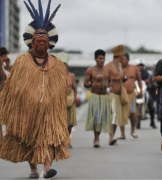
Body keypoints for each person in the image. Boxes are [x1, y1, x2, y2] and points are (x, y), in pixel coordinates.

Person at [0, 1, 69, 179]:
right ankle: (33, 169)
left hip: (49, 112)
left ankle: (47, 169)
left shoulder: (57, 64)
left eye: (44, 42)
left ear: (49, 43)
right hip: (27, 112)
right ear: (32, 42)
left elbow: (62, 89)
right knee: (29, 140)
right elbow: (11, 86)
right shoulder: (22, 61)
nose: (40, 45)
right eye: (37, 41)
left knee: (49, 140)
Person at [84, 49, 114, 147]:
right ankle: (96, 138)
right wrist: (94, 83)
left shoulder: (108, 70)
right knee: (96, 119)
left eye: (103, 58)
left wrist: (109, 85)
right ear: (95, 59)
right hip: (95, 96)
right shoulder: (90, 70)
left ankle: (109, 137)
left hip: (105, 96)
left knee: (105, 118)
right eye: (100, 58)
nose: (102, 60)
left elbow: (111, 82)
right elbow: (85, 83)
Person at [105, 45, 128, 142]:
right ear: (120, 56)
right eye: (123, 56)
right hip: (111, 94)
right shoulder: (109, 66)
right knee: (113, 116)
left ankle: (112, 137)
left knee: (116, 117)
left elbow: (121, 77)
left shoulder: (119, 66)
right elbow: (105, 79)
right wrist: (109, 85)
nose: (124, 58)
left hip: (119, 95)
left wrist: (123, 78)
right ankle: (111, 137)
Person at [119, 52, 142, 139]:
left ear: (128, 59)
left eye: (123, 59)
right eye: (121, 59)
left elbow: (139, 80)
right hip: (121, 94)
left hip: (131, 94)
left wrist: (141, 90)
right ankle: (122, 134)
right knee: (121, 113)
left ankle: (133, 131)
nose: (122, 61)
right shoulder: (118, 68)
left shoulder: (134, 68)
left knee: (133, 113)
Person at [57, 52, 77, 149]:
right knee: (61, 123)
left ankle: (67, 139)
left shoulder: (72, 76)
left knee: (70, 123)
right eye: (62, 65)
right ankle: (61, 140)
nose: (64, 67)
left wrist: (73, 99)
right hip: (59, 102)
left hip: (70, 101)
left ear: (68, 66)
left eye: (65, 65)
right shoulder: (55, 76)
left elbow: (75, 88)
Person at [136, 59, 157, 128]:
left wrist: (149, 82)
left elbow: (151, 81)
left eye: (141, 65)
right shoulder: (134, 73)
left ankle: (152, 122)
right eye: (139, 65)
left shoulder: (147, 73)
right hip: (135, 91)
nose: (140, 67)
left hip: (145, 91)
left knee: (151, 105)